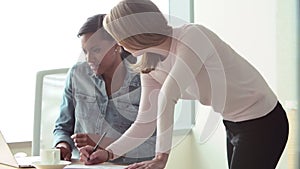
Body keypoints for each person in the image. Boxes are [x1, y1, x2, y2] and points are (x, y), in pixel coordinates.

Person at [79, 1, 289, 169]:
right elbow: (145, 120)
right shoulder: (149, 63)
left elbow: (169, 94)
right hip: (233, 124)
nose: (118, 44)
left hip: (264, 121)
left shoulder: (192, 36)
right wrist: (109, 152)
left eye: (118, 36)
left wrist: (161, 157)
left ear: (133, 32)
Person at [53, 13, 156, 165]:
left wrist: (107, 145)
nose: (89, 59)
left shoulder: (145, 79)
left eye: (96, 50)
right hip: (83, 166)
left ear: (117, 46)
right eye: (85, 51)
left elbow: (153, 146)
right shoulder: (77, 75)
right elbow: (62, 127)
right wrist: (62, 145)